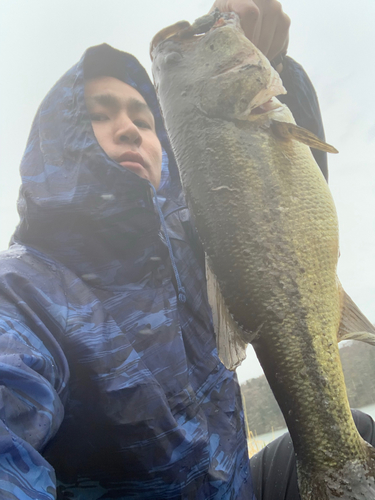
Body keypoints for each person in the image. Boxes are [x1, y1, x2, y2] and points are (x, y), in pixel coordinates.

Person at [0, 1, 370, 499]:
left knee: (358, 433)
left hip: (236, 487)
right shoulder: (22, 295)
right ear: (53, 142)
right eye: (98, 114)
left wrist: (280, 70)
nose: (129, 126)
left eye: (143, 117)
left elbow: (286, 225)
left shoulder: (194, 249)